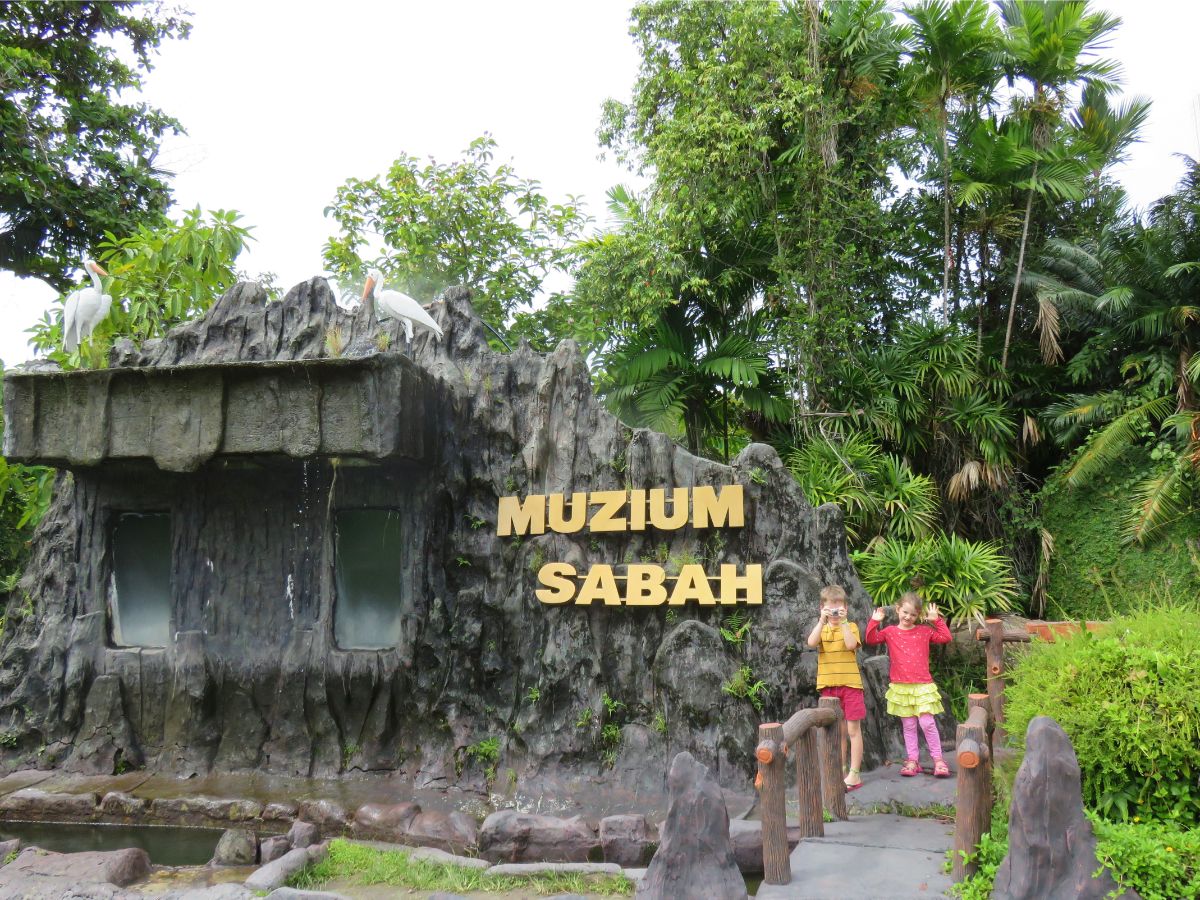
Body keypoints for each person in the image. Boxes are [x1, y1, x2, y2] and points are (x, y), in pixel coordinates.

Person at [864, 591, 953, 777]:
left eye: (913, 615)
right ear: (897, 609)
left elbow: (946, 638)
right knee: (909, 725)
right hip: (901, 686)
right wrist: (874, 621)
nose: (908, 617)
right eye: (905, 612)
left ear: (918, 615)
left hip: (922, 685)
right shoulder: (890, 632)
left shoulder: (924, 631)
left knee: (927, 722)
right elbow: (871, 639)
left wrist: (936, 620)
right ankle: (913, 760)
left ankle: (938, 760)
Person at [806, 584, 866, 790]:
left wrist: (843, 622)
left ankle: (855, 774)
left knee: (853, 730)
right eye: (830, 608)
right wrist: (822, 620)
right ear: (822, 608)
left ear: (845, 609)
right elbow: (811, 642)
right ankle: (838, 771)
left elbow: (851, 645)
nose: (834, 612)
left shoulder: (851, 627)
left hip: (850, 685)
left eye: (838, 608)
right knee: (836, 731)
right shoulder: (821, 628)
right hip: (828, 687)